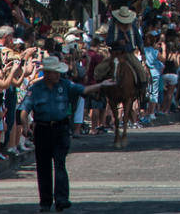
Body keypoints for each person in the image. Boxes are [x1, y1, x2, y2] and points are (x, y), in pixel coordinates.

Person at [22, 55, 115, 212]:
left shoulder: (65, 85)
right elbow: (24, 109)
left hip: (61, 128)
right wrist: (25, 125)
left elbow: (84, 89)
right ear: (47, 73)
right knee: (43, 167)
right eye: (54, 72)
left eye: (59, 72)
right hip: (43, 129)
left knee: (60, 163)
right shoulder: (35, 89)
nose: (58, 75)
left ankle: (61, 199)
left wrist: (101, 85)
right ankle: (45, 202)